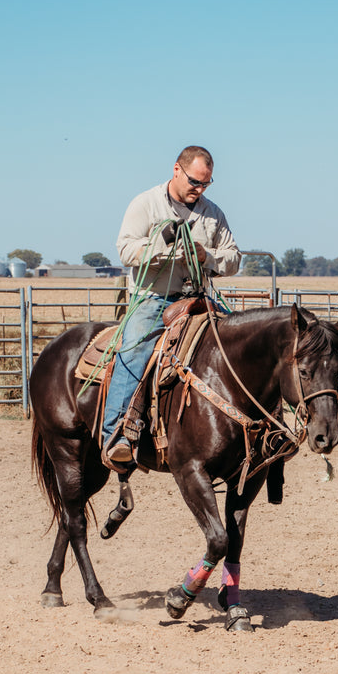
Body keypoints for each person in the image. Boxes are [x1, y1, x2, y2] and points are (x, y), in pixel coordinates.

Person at [101, 145, 240, 466]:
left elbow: (234, 258)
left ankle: (259, 427)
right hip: (154, 299)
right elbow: (125, 250)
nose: (199, 189)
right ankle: (118, 433)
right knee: (135, 347)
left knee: (238, 343)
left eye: (206, 183)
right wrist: (162, 246)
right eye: (194, 181)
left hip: (199, 300)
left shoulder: (213, 213)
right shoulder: (145, 204)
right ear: (176, 170)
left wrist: (208, 256)